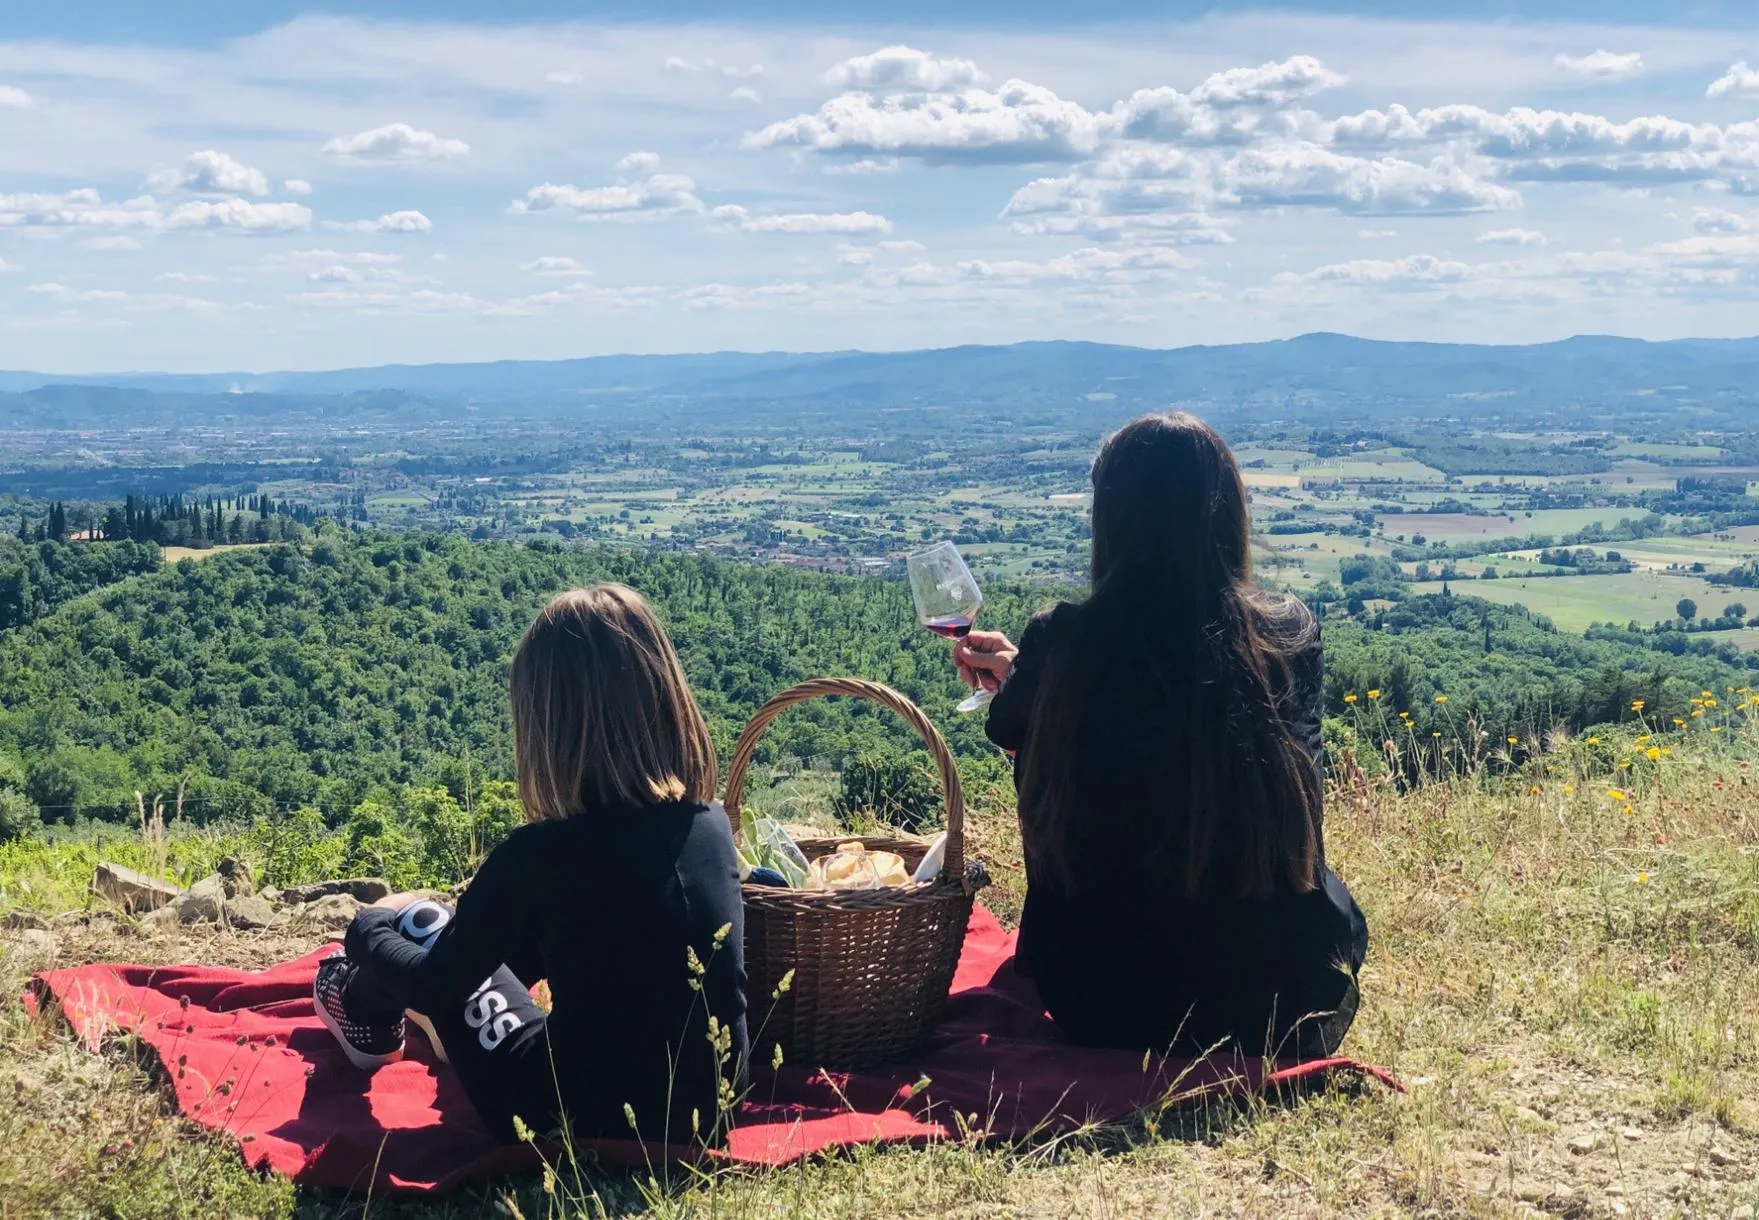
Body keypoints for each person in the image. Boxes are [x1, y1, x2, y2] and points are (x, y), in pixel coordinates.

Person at [953, 412, 1368, 1059]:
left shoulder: (1064, 640)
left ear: (1111, 520)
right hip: (1276, 991)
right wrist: (1037, 672)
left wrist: (1032, 673)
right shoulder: (1286, 636)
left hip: (1104, 998)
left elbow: (1017, 731)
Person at [313, 584, 748, 1147]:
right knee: (487, 936)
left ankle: (356, 1005)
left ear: (546, 725)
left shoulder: (539, 854)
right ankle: (405, 1012)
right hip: (711, 1111)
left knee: (422, 921)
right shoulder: (711, 827)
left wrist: (367, 928)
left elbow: (434, 987)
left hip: (565, 1116)